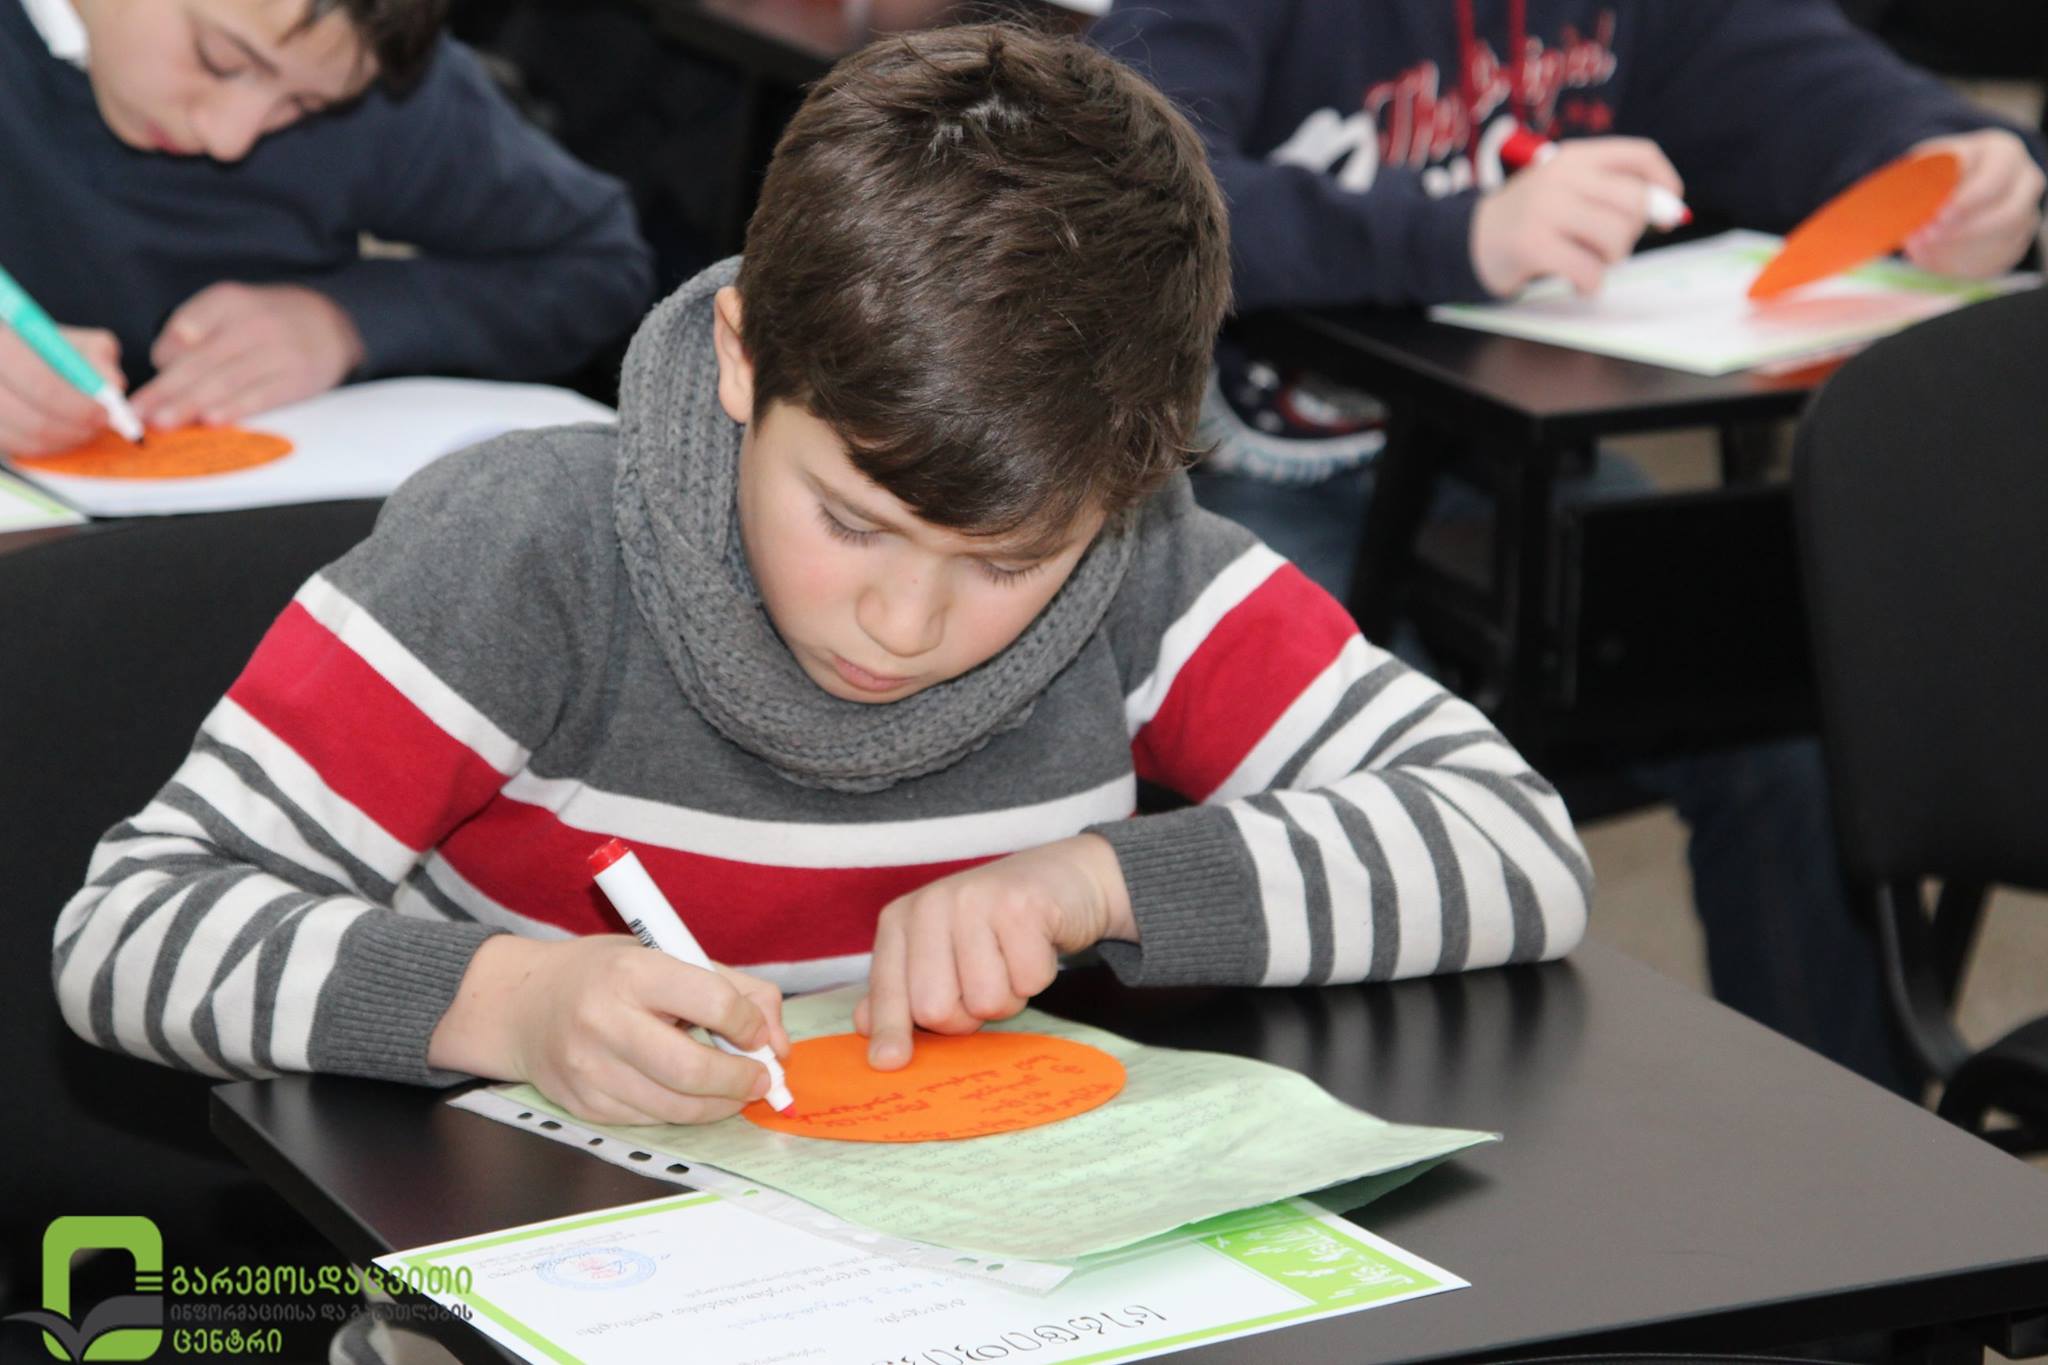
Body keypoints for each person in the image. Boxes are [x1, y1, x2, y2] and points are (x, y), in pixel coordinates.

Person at [53, 24, 1591, 1130]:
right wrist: (509, 1006)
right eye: (851, 521)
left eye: (1007, 561)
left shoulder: (1143, 570)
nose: (904, 625)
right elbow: (129, 933)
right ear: (743, 358)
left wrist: (1094, 882)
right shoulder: (527, 555)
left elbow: (1516, 842)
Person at [1092, 0, 2048, 1093]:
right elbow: (1117, 189)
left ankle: (1850, 1146)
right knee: (1357, 775)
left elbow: (1805, 80)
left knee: (1776, 704)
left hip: (1502, 447)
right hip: (1231, 466)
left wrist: (1962, 168)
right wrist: (1456, 233)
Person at [0, 0, 653, 454]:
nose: (231, 138)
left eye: (307, 105)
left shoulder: (379, 81)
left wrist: (346, 322)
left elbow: (598, 261)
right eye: (221, 59)